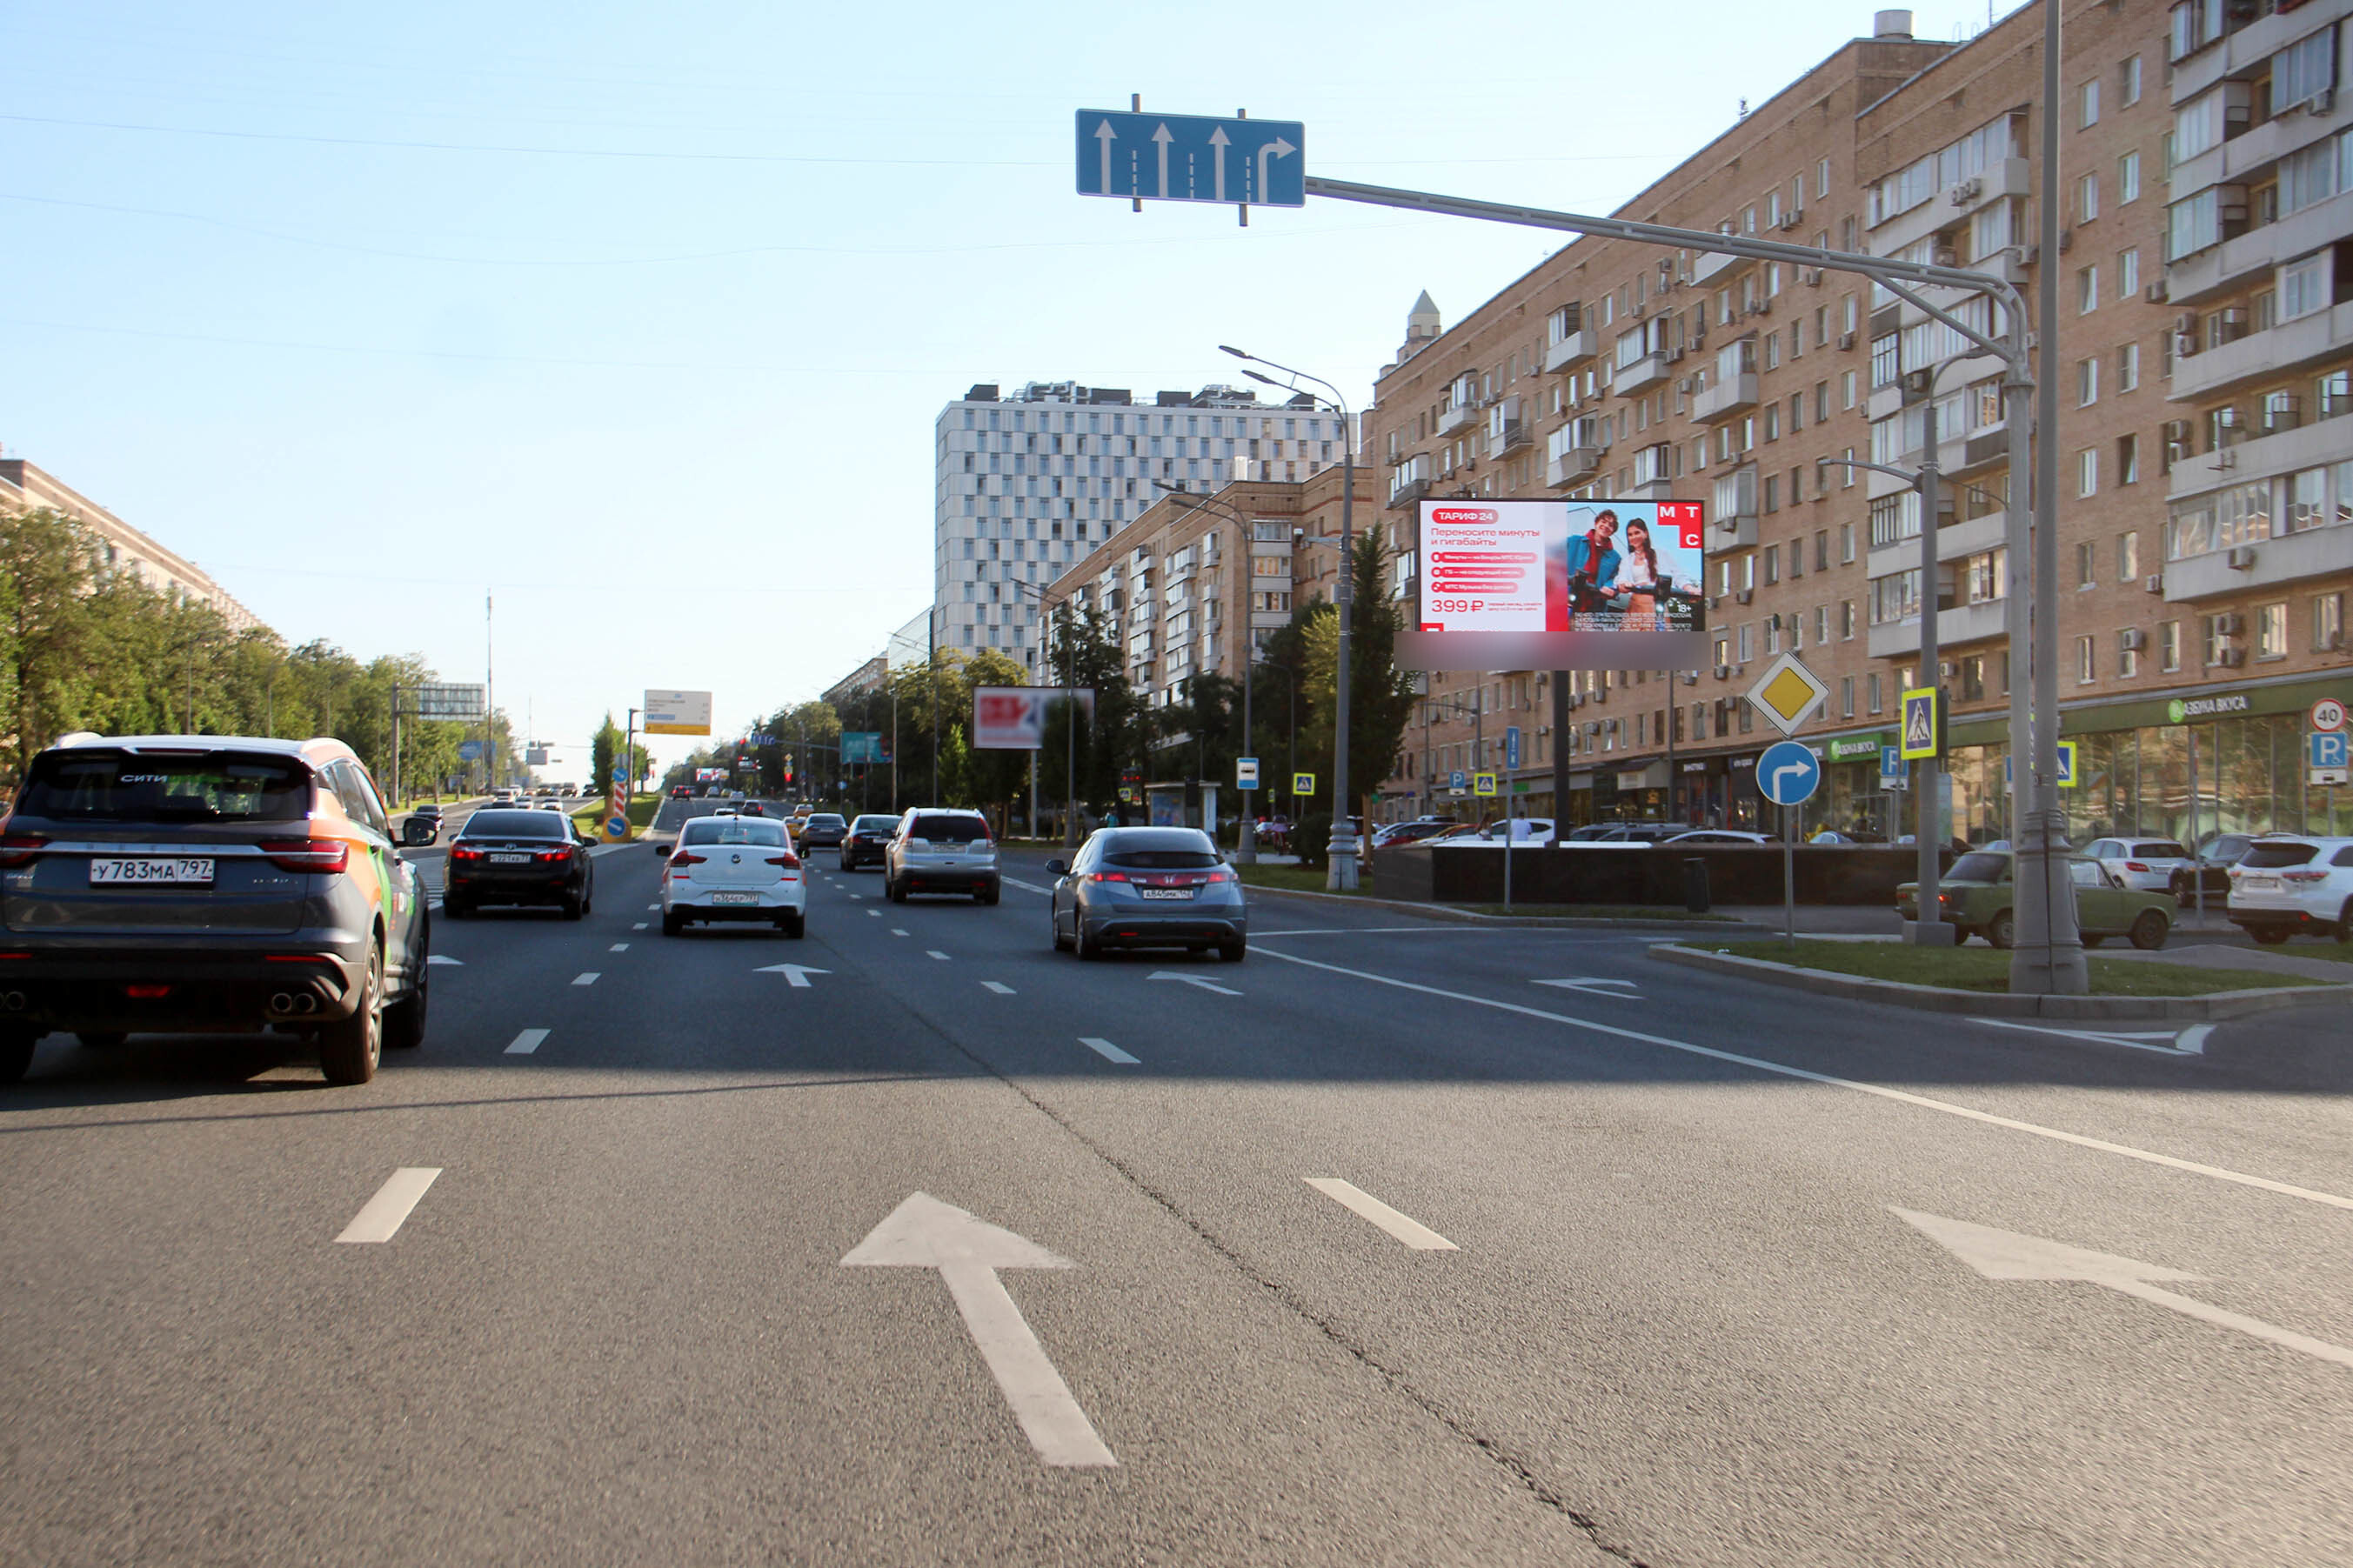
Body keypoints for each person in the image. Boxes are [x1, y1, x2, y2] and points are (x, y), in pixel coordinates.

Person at [1549, 509, 1621, 630]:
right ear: (1596, 523)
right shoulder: (1574, 541)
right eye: (1603, 521)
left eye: (1611, 525)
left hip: (1594, 607)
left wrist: (1610, 587)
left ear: (1613, 531)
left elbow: (1616, 578)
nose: (1606, 526)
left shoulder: (1615, 558)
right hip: (1567, 600)